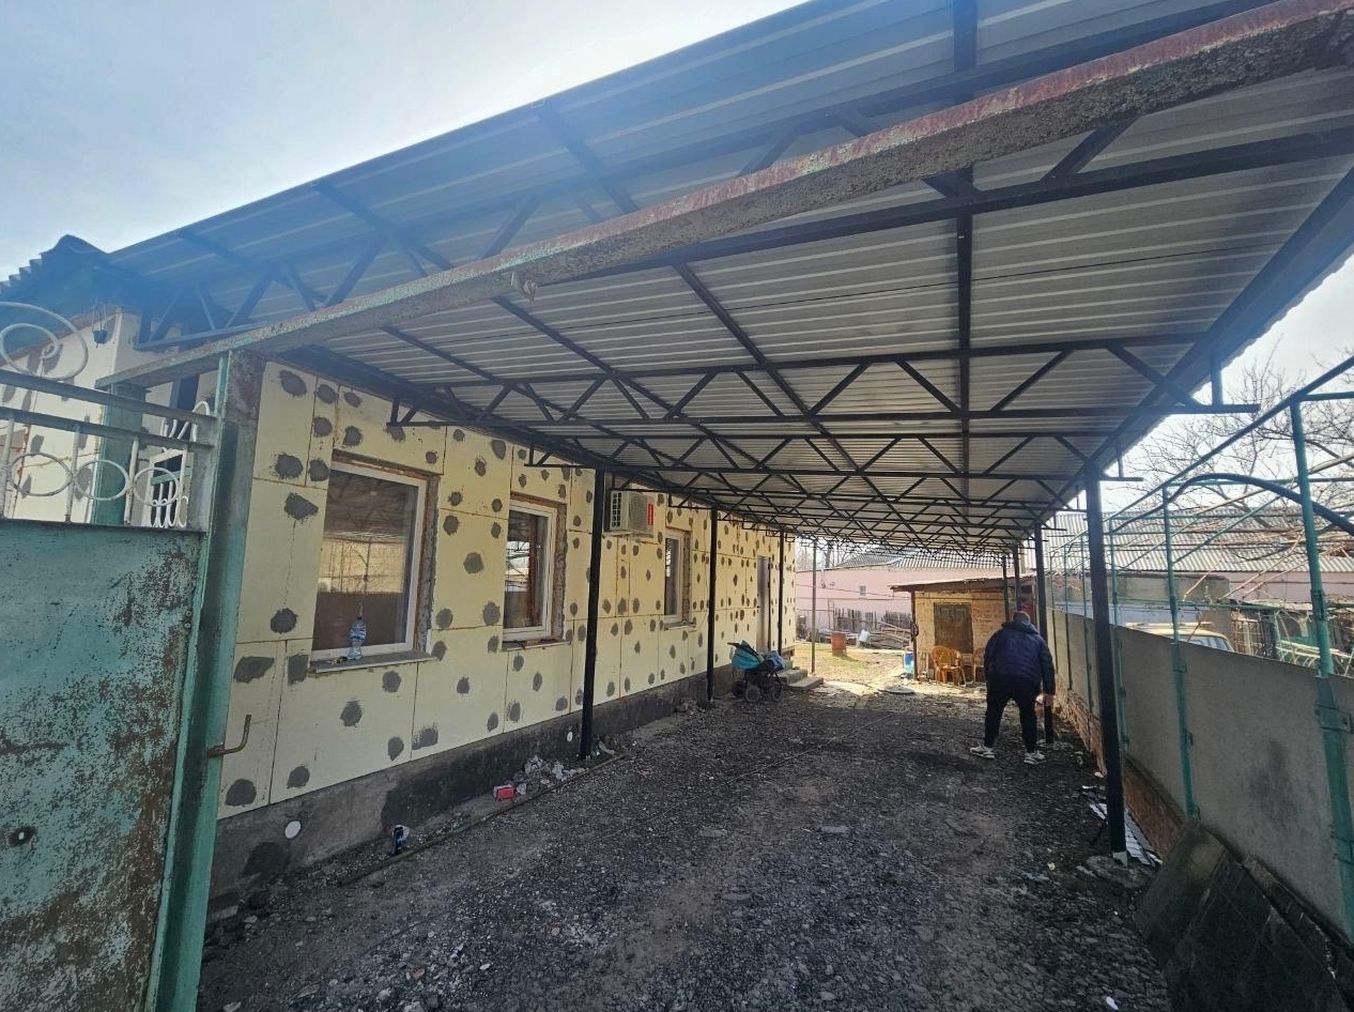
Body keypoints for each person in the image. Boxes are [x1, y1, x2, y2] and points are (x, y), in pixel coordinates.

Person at [969, 610, 1054, 765]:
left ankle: (987, 748)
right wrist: (1049, 691)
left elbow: (988, 655)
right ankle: (1030, 753)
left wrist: (989, 678)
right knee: (1028, 715)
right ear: (1029, 622)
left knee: (994, 712)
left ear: (1013, 620)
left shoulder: (1000, 634)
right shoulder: (1038, 640)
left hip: (1000, 679)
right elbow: (1047, 665)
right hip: (1027, 683)